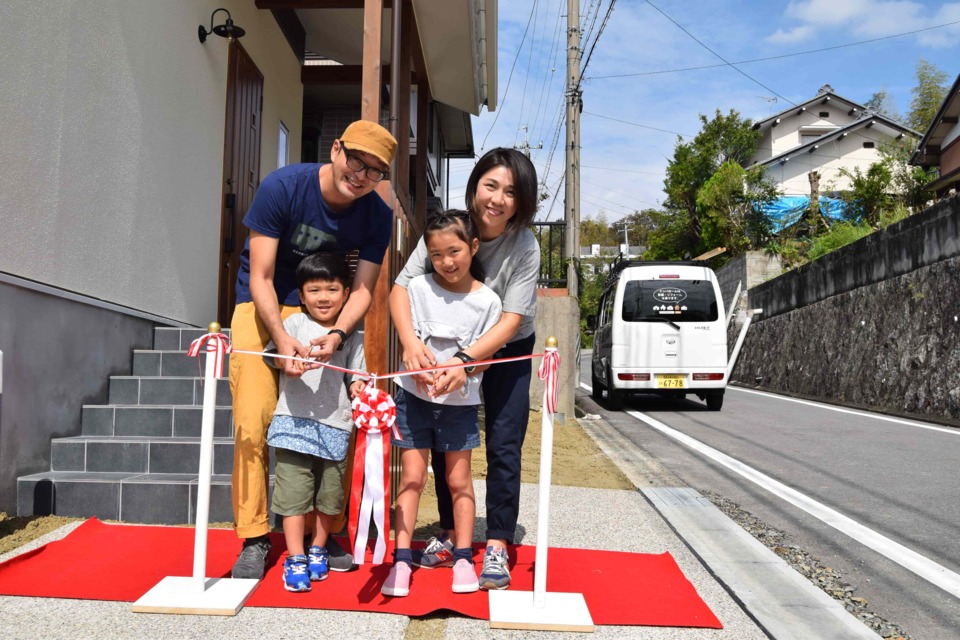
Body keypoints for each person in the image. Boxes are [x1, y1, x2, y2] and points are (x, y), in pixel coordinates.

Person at [229, 120, 397, 580]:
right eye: (356, 161)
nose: (361, 176)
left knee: (340, 417)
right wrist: (282, 339)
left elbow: (364, 289)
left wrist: (340, 334)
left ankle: (329, 530)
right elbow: (261, 275)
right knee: (253, 418)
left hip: (329, 316)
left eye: (375, 172)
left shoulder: (376, 215)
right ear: (336, 148)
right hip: (263, 304)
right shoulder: (284, 187)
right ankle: (254, 535)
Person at [389, 148, 540, 590]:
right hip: (445, 351)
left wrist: (467, 362)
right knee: (444, 441)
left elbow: (511, 319)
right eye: (490, 185)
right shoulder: (449, 227)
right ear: (475, 185)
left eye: (511, 191)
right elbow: (402, 288)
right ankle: (452, 535)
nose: (497, 198)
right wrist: (410, 342)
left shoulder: (525, 244)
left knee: (503, 443)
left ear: (521, 200)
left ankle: (495, 542)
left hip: (505, 349)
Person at [381, 210, 502, 597]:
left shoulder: (488, 302)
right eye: (436, 255)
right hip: (413, 398)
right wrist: (413, 361)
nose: (446, 262)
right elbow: (410, 341)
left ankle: (464, 556)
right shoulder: (416, 289)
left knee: (458, 480)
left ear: (473, 246)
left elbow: (482, 357)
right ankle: (401, 560)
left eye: (454, 251)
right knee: (412, 479)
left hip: (460, 404)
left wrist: (462, 370)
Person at [264, 253, 366, 592]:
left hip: (336, 424)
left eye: (333, 289)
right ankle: (295, 557)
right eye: (315, 290)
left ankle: (319, 549)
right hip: (292, 422)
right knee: (293, 494)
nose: (324, 297)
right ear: (302, 294)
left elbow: (357, 376)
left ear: (347, 293)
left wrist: (360, 387)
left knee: (329, 496)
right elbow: (272, 355)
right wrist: (285, 361)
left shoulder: (352, 334)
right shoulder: (292, 324)